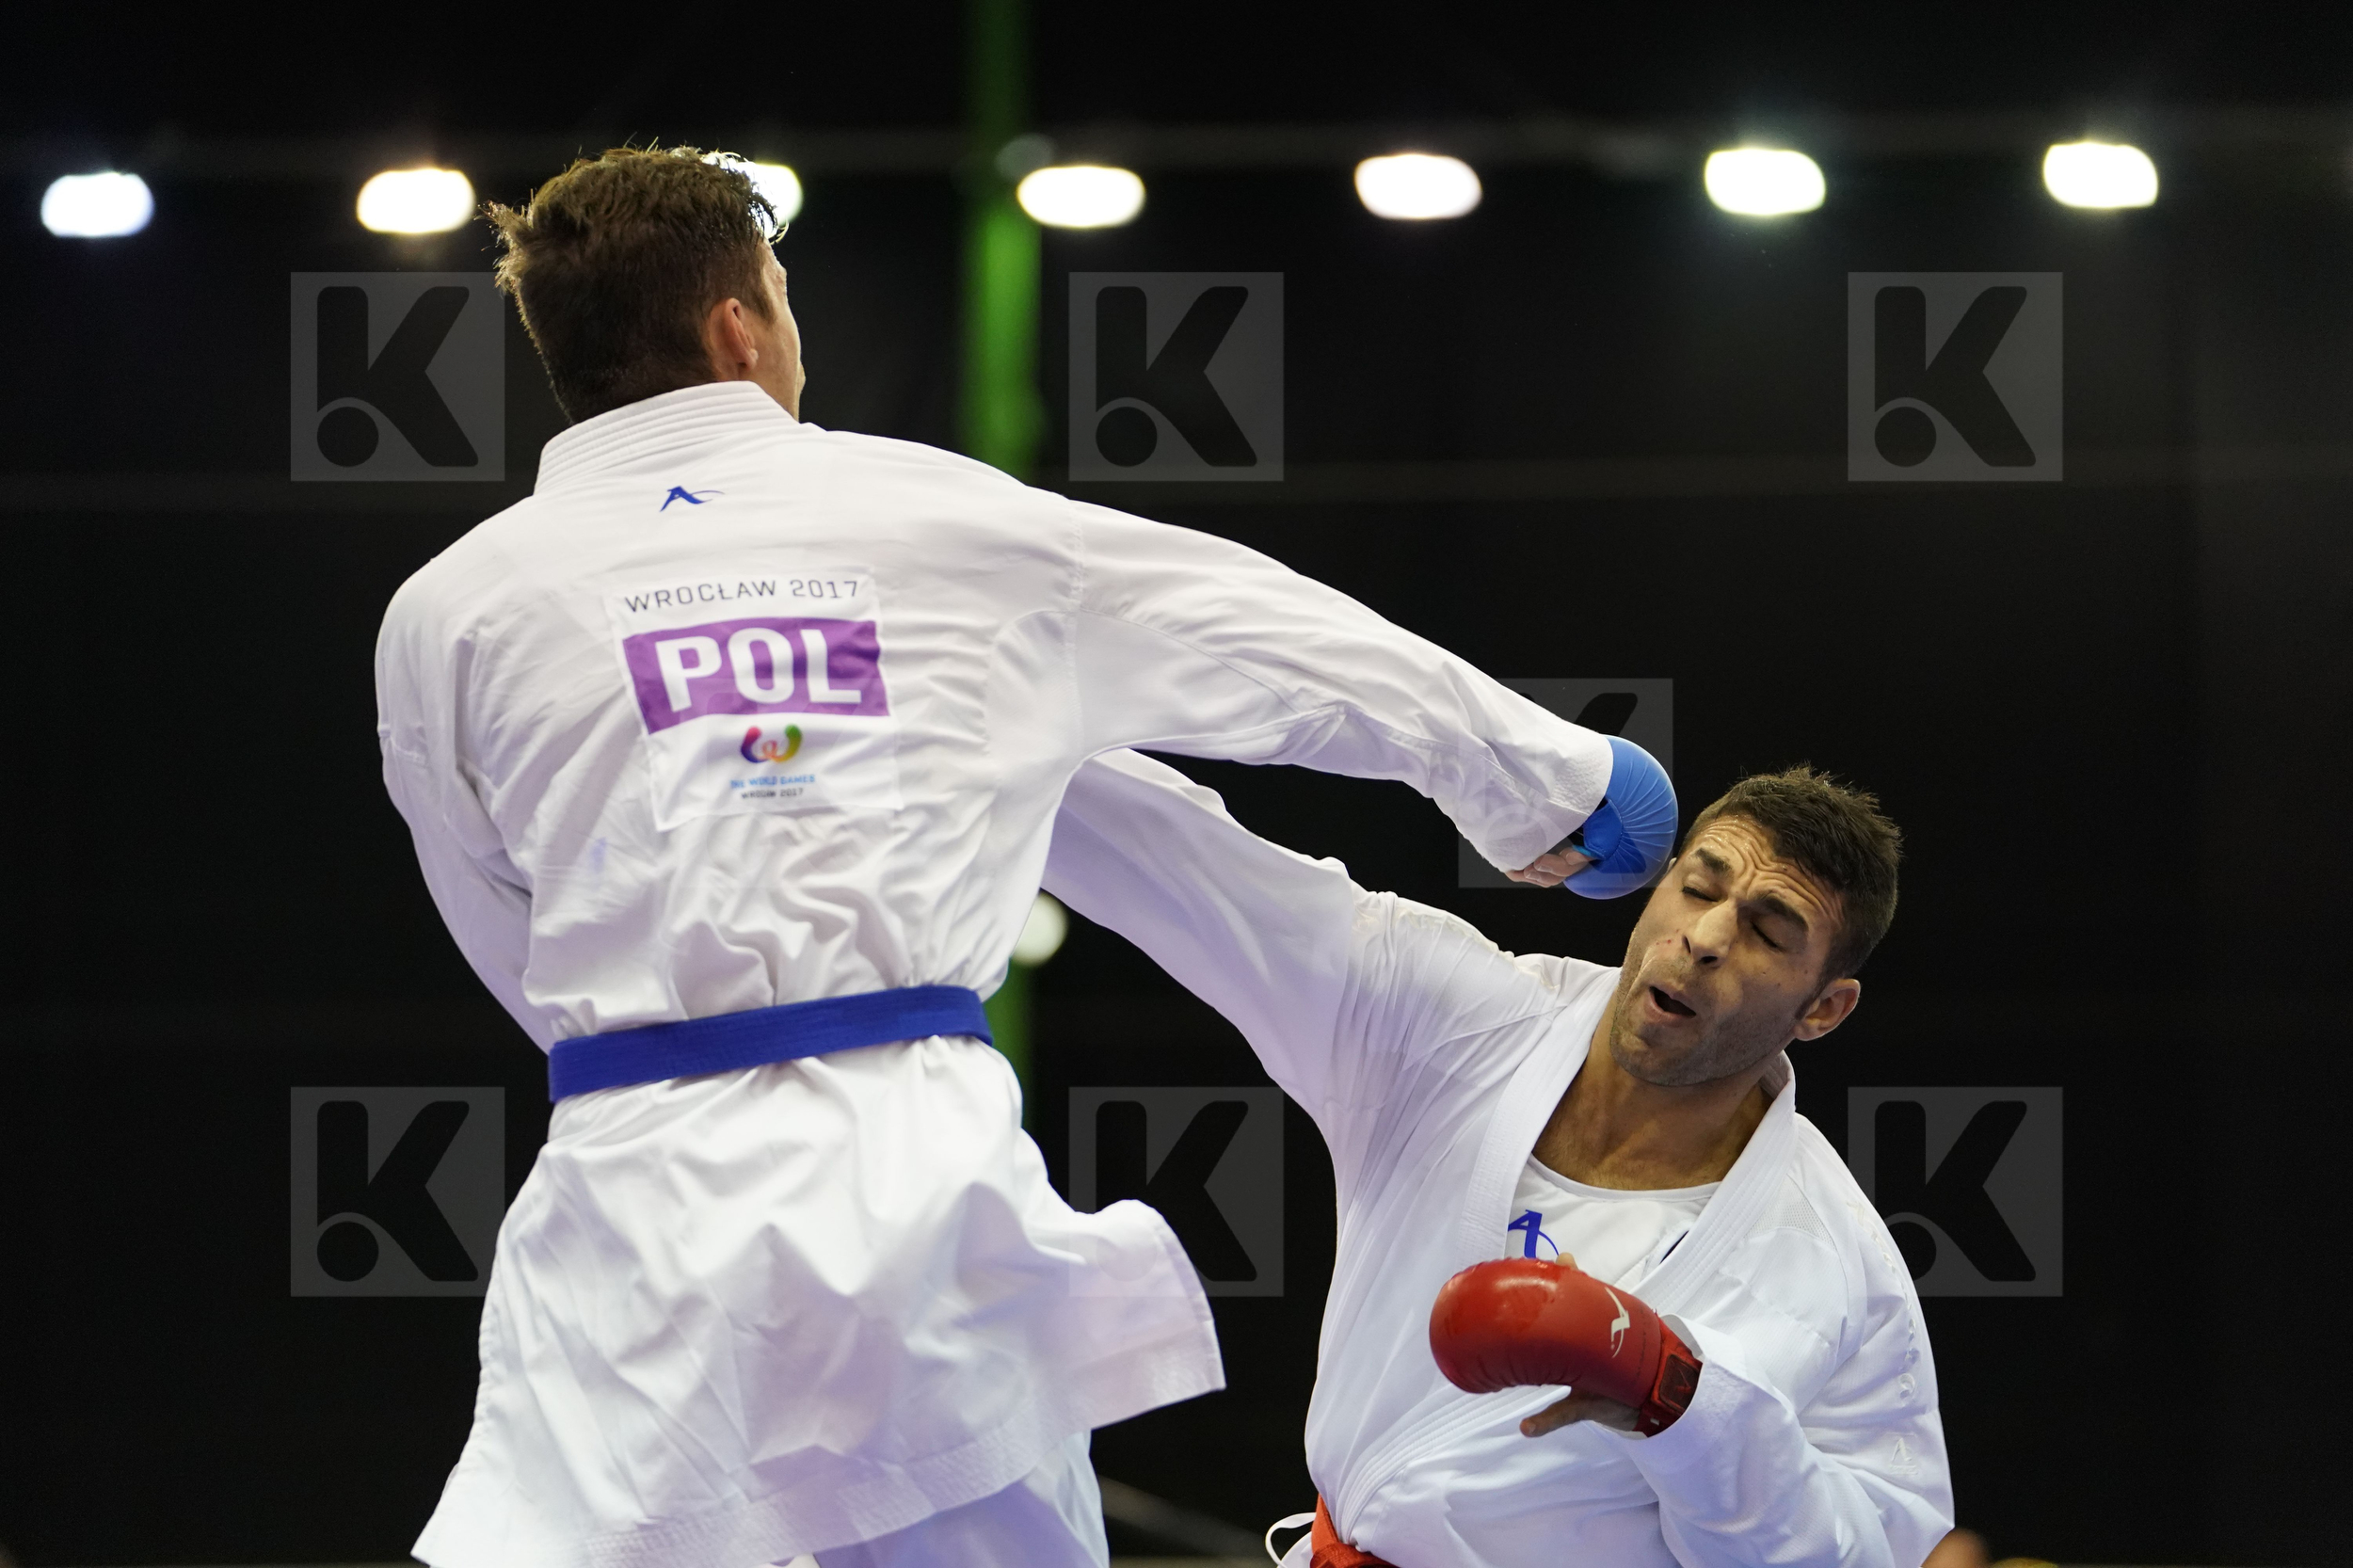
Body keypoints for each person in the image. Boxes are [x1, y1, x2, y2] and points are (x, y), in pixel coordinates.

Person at [373, 147, 1668, 1568]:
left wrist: (665, 1038)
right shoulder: (937, 518)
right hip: (906, 1187)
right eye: (783, 294)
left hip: (626, 1209)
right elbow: (1256, 630)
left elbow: (498, 914)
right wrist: (1550, 773)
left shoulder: (448, 610)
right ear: (737, 326)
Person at [1042, 749, 1952, 1567]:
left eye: (1768, 930)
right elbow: (1177, 864)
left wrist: (1685, 1401)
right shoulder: (1449, 1023)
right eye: (1700, 887)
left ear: (1824, 1008)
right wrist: (957, 715)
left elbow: (1867, 1552)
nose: (1708, 937)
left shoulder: (1841, 1271)